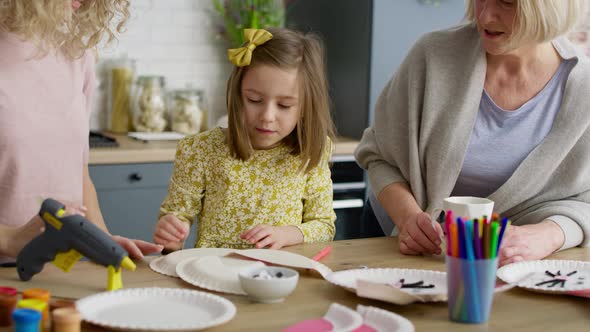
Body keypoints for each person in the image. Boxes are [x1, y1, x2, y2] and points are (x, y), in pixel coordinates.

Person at [355, 0, 590, 266]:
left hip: (512, 267)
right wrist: (408, 217)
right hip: (399, 245)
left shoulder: (584, 91)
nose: (485, 15)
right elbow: (378, 155)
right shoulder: (433, 55)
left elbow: (585, 201)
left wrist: (548, 235)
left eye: (507, 3)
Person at [0, 0, 162, 262]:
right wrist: (11, 240)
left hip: (65, 270)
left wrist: (101, 241)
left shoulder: (76, 56)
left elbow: (79, 173)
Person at [154, 28, 336, 251]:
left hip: (281, 277)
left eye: (284, 105)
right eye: (254, 99)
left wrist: (287, 234)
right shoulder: (199, 150)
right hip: (213, 273)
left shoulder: (312, 152)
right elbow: (175, 223)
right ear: (238, 95)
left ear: (307, 106)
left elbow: (324, 226)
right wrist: (172, 236)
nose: (267, 116)